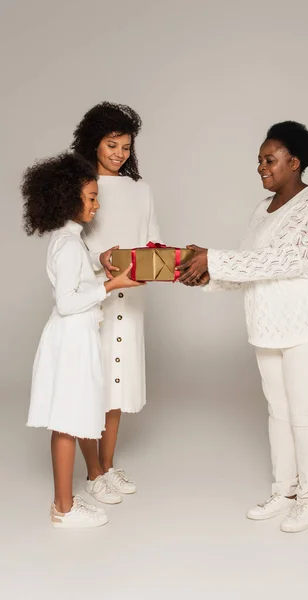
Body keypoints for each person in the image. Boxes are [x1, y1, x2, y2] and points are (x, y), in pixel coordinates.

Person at [179, 121, 308, 533]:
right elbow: (250, 266)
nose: (260, 167)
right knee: (278, 410)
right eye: (258, 160)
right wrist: (207, 276)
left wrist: (214, 259)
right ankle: (284, 490)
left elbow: (289, 259)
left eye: (269, 159)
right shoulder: (262, 210)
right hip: (269, 324)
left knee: (305, 413)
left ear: (295, 162)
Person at [23, 152, 143, 528]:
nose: (97, 204)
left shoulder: (70, 241)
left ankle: (68, 500)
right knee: (66, 422)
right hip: (72, 339)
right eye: (91, 197)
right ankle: (64, 508)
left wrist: (99, 259)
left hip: (76, 338)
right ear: (68, 199)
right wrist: (111, 284)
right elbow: (66, 301)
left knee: (71, 419)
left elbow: (76, 266)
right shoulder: (69, 246)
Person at [71, 102, 162, 504]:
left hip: (131, 298)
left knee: (117, 384)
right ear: (94, 143)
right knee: (91, 383)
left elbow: (153, 241)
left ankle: (106, 466)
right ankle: (93, 473)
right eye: (111, 144)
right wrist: (100, 263)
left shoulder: (141, 190)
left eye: (125, 146)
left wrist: (169, 263)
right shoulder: (81, 186)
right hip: (92, 298)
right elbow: (67, 249)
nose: (119, 153)